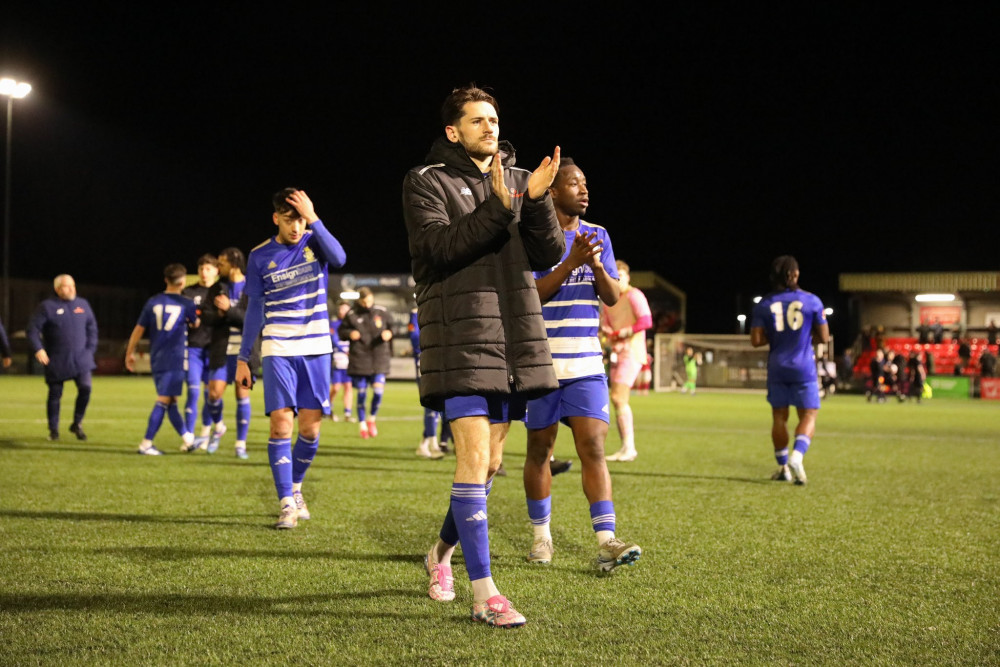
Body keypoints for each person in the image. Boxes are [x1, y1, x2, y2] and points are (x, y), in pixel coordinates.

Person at [403, 85, 564, 628]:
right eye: (477, 120)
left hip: (514, 337)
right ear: (453, 131)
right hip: (461, 337)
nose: (490, 128)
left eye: (494, 119)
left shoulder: (520, 182)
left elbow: (549, 255)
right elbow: (442, 249)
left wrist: (537, 201)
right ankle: (486, 593)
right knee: (473, 461)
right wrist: (501, 206)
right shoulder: (424, 181)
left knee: (492, 464)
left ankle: (441, 555)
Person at [521, 157, 641, 573]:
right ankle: (541, 538)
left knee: (592, 446)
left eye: (586, 184)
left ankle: (607, 539)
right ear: (553, 191)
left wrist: (593, 264)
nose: (585, 190)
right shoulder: (534, 235)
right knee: (540, 450)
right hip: (540, 361)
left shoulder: (598, 235)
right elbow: (531, 296)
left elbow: (611, 297)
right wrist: (570, 261)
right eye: (575, 184)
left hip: (586, 361)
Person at [235, 188, 346, 529]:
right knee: (281, 423)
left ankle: (296, 486)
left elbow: (340, 259)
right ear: (276, 219)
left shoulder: (315, 242)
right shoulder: (258, 256)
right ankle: (286, 502)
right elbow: (254, 309)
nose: (296, 227)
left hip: (315, 347)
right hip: (278, 347)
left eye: (299, 219)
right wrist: (243, 358)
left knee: (310, 430)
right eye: (289, 219)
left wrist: (313, 217)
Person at [750, 255, 829, 485]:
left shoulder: (764, 304)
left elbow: (755, 340)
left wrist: (774, 335)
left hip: (777, 367)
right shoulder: (812, 301)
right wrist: (805, 333)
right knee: (809, 414)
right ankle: (797, 456)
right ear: (794, 274)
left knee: (778, 417)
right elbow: (823, 336)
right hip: (803, 367)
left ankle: (783, 467)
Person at [124, 264, 200, 455]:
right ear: (182, 281)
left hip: (157, 357)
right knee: (164, 400)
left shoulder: (153, 302)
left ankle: (188, 439)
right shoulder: (187, 303)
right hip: (175, 358)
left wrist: (129, 352)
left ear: (165, 280)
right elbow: (196, 323)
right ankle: (146, 443)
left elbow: (138, 330)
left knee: (171, 400)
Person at [27, 274, 97, 441]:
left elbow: (92, 328)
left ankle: (77, 423)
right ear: (58, 289)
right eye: (67, 286)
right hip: (57, 359)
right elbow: (32, 330)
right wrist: (39, 349)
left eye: (73, 285)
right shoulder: (47, 307)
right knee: (55, 394)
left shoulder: (83, 305)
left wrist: (90, 350)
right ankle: (54, 430)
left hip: (81, 359)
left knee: (86, 388)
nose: (72, 288)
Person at [201, 247, 251, 458]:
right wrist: (221, 314)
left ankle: (240, 443)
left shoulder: (252, 286)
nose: (218, 266)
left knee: (242, 395)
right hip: (221, 349)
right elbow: (206, 316)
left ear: (234, 263)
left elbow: (252, 319)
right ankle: (219, 427)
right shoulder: (217, 287)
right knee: (213, 394)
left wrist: (228, 310)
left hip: (244, 352)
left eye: (222, 262)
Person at [600, 260, 652, 461]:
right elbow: (605, 326)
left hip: (632, 352)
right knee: (618, 399)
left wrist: (621, 333)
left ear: (628, 277)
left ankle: (629, 448)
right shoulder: (608, 300)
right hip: (616, 352)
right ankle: (626, 447)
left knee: (618, 397)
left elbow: (646, 321)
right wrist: (606, 333)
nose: (618, 279)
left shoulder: (634, 295)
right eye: (615, 276)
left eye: (621, 276)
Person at [338, 287, 392, 440]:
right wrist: (349, 334)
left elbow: (392, 327)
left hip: (379, 358)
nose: (367, 304)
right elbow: (342, 332)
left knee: (378, 392)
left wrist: (389, 333)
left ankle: (371, 419)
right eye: (364, 301)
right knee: (361, 394)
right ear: (359, 300)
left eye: (369, 301)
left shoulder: (382, 311)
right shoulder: (352, 314)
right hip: (360, 359)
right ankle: (362, 424)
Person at [181, 254, 219, 449]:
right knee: (193, 393)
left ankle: (204, 434)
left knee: (209, 395)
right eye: (201, 269)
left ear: (216, 271)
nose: (204, 273)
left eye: (208, 269)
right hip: (194, 347)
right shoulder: (188, 292)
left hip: (213, 349)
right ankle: (188, 437)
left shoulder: (221, 292)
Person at [410, 306, 445, 459]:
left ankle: (424, 444)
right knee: (431, 402)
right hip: (425, 361)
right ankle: (434, 444)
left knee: (439, 404)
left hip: (441, 360)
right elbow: (414, 337)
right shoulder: (416, 314)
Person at [328, 300, 354, 423]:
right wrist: (343, 350)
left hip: (350, 360)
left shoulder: (353, 324)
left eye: (344, 309)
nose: (342, 311)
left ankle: (347, 414)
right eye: (341, 309)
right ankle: (328, 408)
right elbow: (333, 340)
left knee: (348, 386)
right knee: (336, 387)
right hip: (338, 360)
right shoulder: (334, 324)